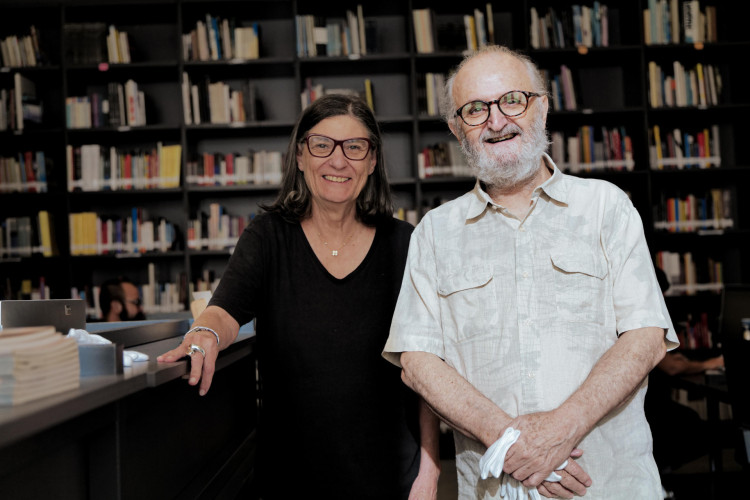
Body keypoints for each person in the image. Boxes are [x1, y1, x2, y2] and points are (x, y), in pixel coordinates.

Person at [382, 45, 679, 500]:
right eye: (476, 109)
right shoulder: (434, 234)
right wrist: (515, 443)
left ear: (542, 106)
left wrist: (561, 430)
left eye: (512, 100)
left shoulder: (607, 207)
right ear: (457, 128)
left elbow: (646, 335)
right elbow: (418, 362)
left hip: (610, 486)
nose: (497, 121)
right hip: (494, 488)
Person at [158, 94, 441, 499]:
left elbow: (429, 372)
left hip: (391, 480)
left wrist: (429, 475)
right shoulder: (268, 237)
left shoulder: (406, 245)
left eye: (354, 147)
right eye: (322, 145)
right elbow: (225, 309)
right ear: (302, 156)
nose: (338, 161)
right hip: (290, 479)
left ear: (373, 160)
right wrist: (205, 331)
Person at [645, 267, 724, 475]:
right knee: (698, 428)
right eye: (661, 293)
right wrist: (710, 363)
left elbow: (667, 361)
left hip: (646, 408)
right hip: (652, 412)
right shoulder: (647, 318)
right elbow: (672, 368)